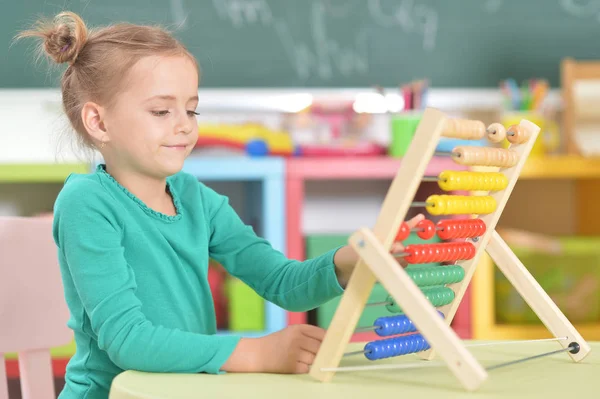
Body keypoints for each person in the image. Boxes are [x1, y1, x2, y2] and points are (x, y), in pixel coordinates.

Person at [17, 11, 424, 398]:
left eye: (192, 109)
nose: (184, 125)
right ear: (99, 122)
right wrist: (255, 353)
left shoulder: (197, 200)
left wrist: (344, 264)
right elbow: (128, 340)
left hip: (185, 389)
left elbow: (281, 282)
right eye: (162, 110)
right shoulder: (87, 203)